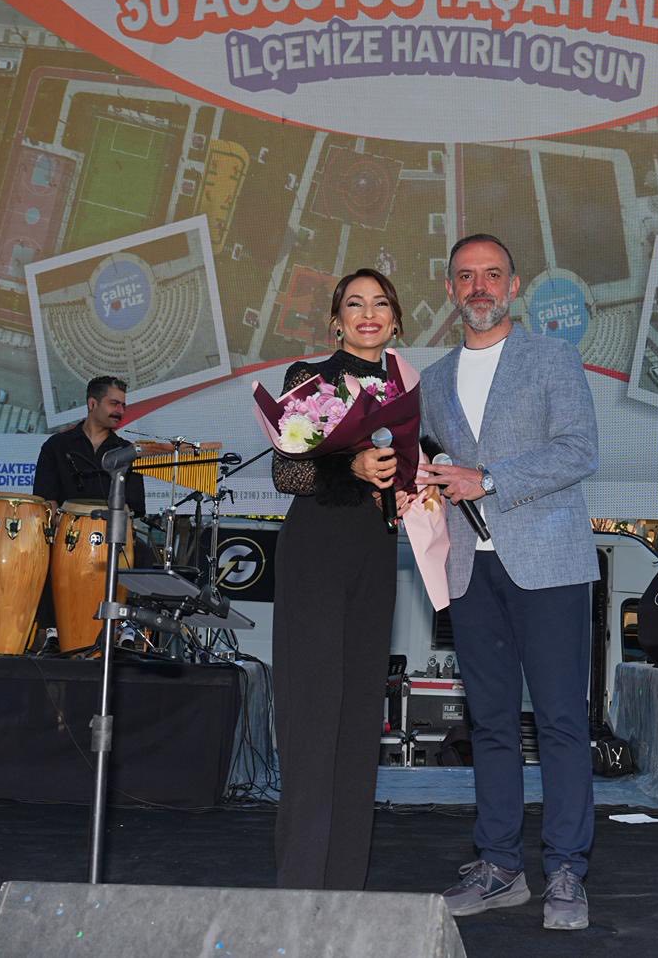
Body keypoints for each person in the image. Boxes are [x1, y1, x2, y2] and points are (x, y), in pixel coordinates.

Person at [417, 233, 599, 932]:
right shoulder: (432, 380)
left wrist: (488, 479)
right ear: (450, 289)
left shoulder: (553, 358)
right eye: (466, 276)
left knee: (560, 721)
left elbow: (579, 450)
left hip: (548, 563)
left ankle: (566, 870)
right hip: (469, 569)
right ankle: (499, 866)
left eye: (492, 274)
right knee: (490, 723)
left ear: (514, 286)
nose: (480, 287)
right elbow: (433, 468)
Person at [270, 268, 408, 889]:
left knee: (358, 721)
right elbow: (288, 474)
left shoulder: (405, 389)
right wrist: (351, 465)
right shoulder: (310, 378)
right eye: (355, 304)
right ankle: (301, 883)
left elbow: (411, 469)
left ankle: (346, 883)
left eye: (380, 304)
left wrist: (421, 486)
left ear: (396, 321)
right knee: (312, 713)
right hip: (317, 550)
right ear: (337, 321)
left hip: (376, 554)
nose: (368, 313)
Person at [32, 376, 146, 519]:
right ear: (92, 404)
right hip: (66, 531)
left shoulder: (128, 452)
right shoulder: (56, 445)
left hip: (113, 531)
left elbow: (134, 508)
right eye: (114, 404)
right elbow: (46, 502)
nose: (120, 411)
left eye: (123, 406)